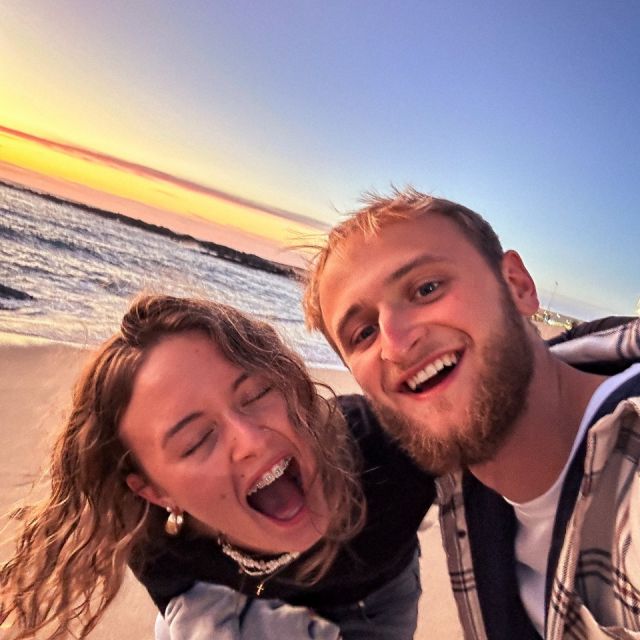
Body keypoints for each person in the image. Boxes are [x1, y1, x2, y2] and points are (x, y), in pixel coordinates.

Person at [303, 187, 640, 639]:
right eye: (364, 333)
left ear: (517, 286)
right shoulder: (466, 479)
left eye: (426, 289)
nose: (397, 344)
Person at [0, 294, 434, 640]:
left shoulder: (388, 448)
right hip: (249, 605)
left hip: (377, 600)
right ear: (155, 492)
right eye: (197, 441)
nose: (250, 441)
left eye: (256, 394)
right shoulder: (154, 539)